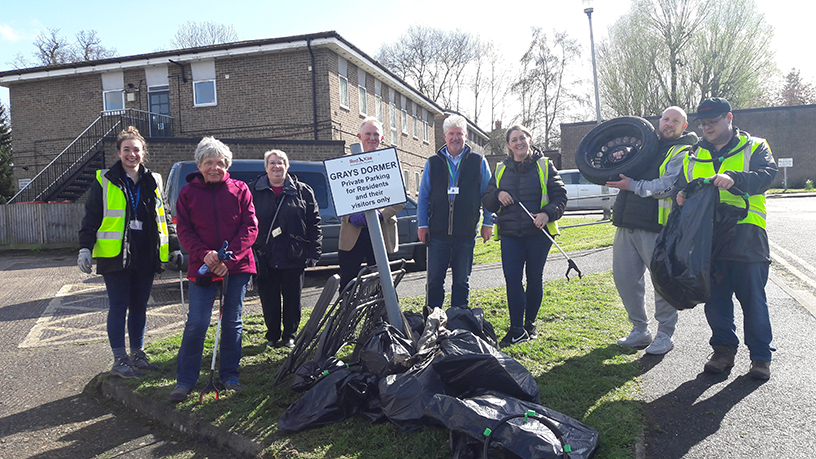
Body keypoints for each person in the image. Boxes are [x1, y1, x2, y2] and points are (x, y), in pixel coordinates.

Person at [675, 97, 777, 380]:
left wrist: (737, 178)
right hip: (709, 238)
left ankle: (760, 358)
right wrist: (681, 196)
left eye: (713, 122)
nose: (707, 127)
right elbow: (685, 186)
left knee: (753, 299)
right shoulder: (693, 154)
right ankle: (722, 352)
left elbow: (767, 176)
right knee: (716, 299)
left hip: (747, 233)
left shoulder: (755, 146)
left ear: (729, 118)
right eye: (704, 123)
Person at [78, 126, 181, 378]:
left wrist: (175, 247)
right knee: (118, 306)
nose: (131, 154)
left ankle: (138, 354)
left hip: (146, 252)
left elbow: (164, 216)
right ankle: (119, 359)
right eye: (127, 150)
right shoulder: (105, 180)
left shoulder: (153, 180)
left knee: (139, 306)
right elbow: (92, 216)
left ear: (143, 153)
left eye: (136, 150)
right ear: (118, 153)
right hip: (115, 254)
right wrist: (85, 248)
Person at [169, 136, 258, 402]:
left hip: (237, 267)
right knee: (197, 322)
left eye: (220, 163)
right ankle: (185, 381)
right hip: (202, 266)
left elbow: (250, 227)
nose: (215, 167)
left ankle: (230, 375)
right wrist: (205, 255)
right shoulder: (187, 193)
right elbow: (183, 229)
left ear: (227, 165)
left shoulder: (240, 189)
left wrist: (227, 261)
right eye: (209, 162)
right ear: (200, 164)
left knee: (232, 322)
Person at [605, 106, 698, 354]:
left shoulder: (684, 150)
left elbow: (667, 186)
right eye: (665, 119)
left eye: (675, 121)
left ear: (684, 126)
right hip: (627, 223)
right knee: (625, 279)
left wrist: (631, 184)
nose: (668, 124)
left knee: (662, 283)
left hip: (659, 227)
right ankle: (640, 330)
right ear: (659, 121)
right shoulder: (647, 145)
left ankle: (665, 335)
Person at [482, 124, 567, 346]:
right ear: (508, 145)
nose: (519, 143)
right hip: (510, 234)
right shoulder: (500, 169)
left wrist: (547, 214)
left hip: (538, 234)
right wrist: (498, 193)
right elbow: (488, 200)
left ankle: (530, 324)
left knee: (534, 278)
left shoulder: (545, 166)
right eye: (514, 140)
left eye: (522, 138)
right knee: (512, 280)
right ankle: (516, 329)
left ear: (529, 139)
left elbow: (560, 198)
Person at [417, 114, 494, 309]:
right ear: (444, 136)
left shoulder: (478, 161)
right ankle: (432, 321)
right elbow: (423, 196)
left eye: (459, 134)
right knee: (434, 281)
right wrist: (422, 224)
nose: (455, 138)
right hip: (437, 233)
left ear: (465, 135)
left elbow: (488, 195)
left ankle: (459, 321)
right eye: (451, 134)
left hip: (466, 234)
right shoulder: (433, 162)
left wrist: (488, 222)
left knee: (461, 281)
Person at [251, 150, 322, 349]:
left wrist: (314, 252)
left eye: (281, 162)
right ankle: (272, 335)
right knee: (269, 299)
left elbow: (314, 223)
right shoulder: (253, 190)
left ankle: (290, 335)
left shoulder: (303, 191)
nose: (276, 166)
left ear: (287, 166)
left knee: (293, 299)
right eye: (272, 163)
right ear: (265, 167)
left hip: (294, 254)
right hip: (265, 255)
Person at [338, 117, 405, 291]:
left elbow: (400, 198)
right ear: (359, 136)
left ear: (382, 138)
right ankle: (346, 317)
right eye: (368, 134)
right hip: (353, 232)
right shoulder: (344, 164)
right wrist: (351, 215)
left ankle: (381, 317)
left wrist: (382, 213)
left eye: (376, 134)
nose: (372, 138)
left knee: (383, 283)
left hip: (382, 230)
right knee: (347, 281)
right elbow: (337, 196)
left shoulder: (390, 162)